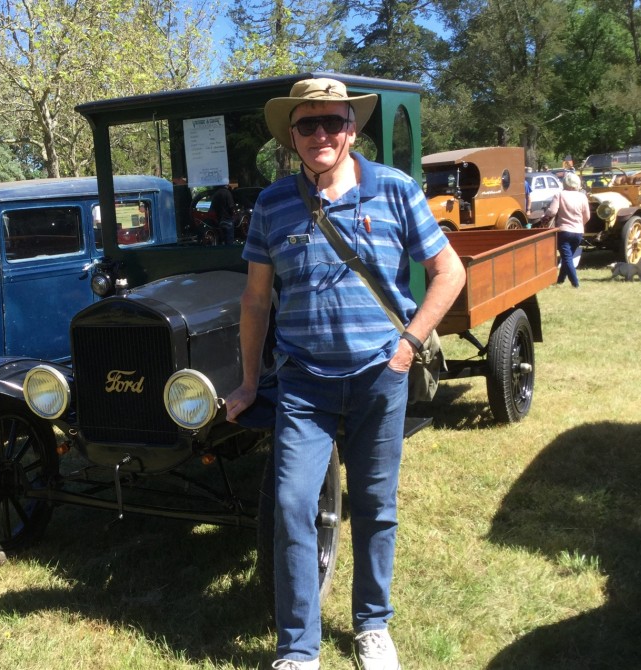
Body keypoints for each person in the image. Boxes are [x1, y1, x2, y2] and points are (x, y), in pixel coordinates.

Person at [224, 78, 466, 670]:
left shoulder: (395, 190)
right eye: (308, 126)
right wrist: (251, 381)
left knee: (377, 505)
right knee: (291, 506)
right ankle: (299, 648)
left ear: (352, 129)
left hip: (379, 376)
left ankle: (371, 627)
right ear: (292, 137)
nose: (321, 135)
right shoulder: (272, 204)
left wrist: (409, 343)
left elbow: (448, 271)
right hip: (303, 383)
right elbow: (256, 302)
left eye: (333, 122)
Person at [541, 171, 590, 287]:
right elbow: (587, 216)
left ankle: (575, 283)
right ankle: (560, 280)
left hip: (564, 231)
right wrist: (579, 224)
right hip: (578, 232)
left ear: (565, 183)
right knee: (567, 257)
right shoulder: (582, 196)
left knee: (567, 258)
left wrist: (544, 217)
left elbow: (552, 211)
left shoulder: (560, 195)